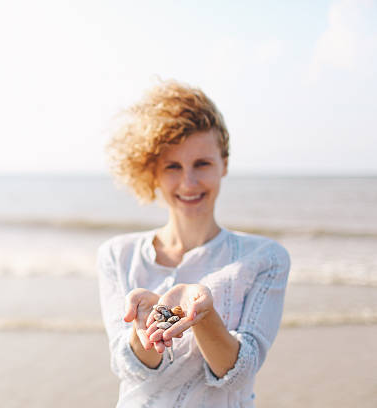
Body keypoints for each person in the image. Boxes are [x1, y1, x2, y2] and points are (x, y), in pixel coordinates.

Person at [97, 80, 290, 407]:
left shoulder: (265, 258)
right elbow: (128, 368)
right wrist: (146, 326)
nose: (189, 182)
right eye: (173, 166)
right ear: (153, 172)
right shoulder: (118, 255)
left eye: (202, 163)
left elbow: (239, 375)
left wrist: (204, 314)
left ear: (223, 164)